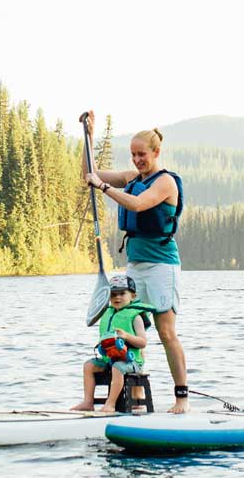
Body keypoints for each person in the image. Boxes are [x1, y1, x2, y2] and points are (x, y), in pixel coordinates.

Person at [81, 111, 190, 413]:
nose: (137, 160)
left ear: (156, 153)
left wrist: (103, 188)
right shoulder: (131, 179)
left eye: (142, 154)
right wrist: (89, 137)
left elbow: (140, 204)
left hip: (161, 266)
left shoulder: (166, 182)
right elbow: (90, 174)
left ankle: (182, 398)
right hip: (136, 266)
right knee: (130, 328)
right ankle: (131, 399)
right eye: (133, 155)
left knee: (166, 332)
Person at [71, 272, 151, 413]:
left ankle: (111, 404)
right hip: (110, 359)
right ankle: (88, 402)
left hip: (131, 362)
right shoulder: (107, 313)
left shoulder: (136, 317)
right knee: (89, 366)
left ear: (133, 296)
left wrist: (126, 336)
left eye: (122, 293)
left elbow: (143, 342)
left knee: (118, 367)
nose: (117, 297)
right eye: (113, 294)